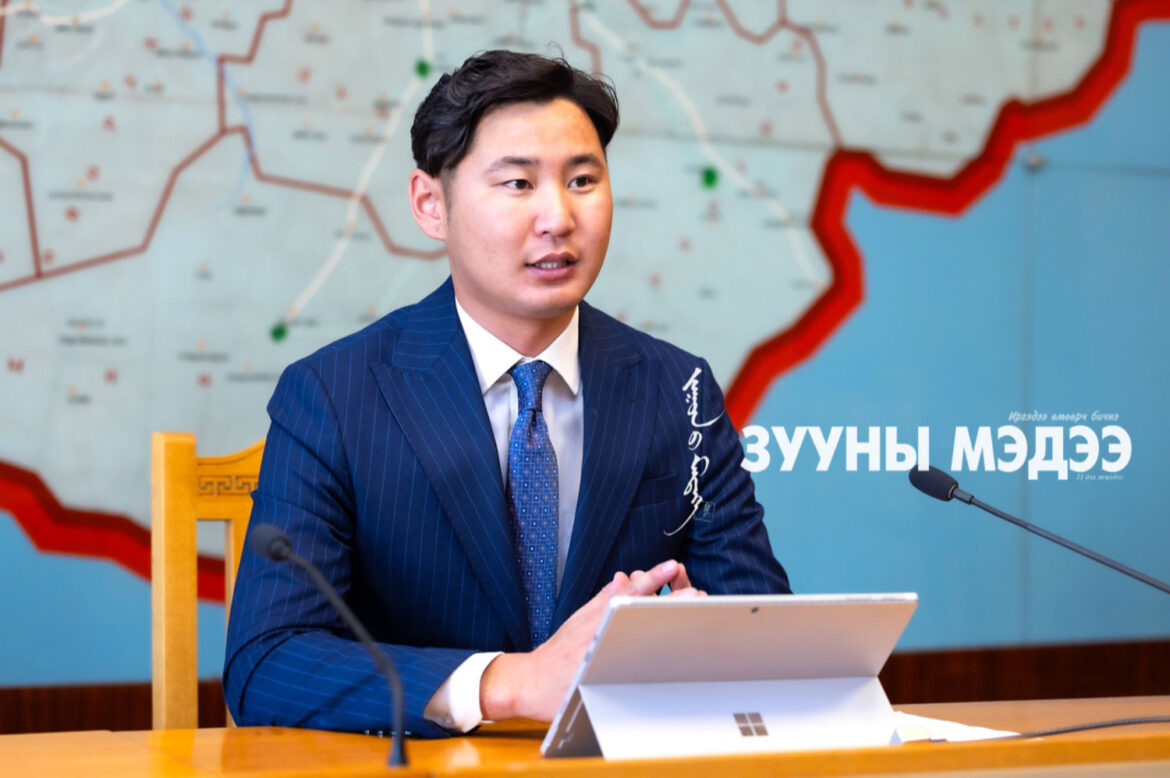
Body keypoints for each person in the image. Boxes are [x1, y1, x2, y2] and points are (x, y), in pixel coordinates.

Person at [223, 49, 790, 738]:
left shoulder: (678, 389)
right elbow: (267, 662)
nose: (558, 217)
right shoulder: (333, 395)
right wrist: (510, 683)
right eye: (519, 183)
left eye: (583, 180)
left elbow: (768, 638)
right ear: (431, 205)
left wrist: (709, 636)